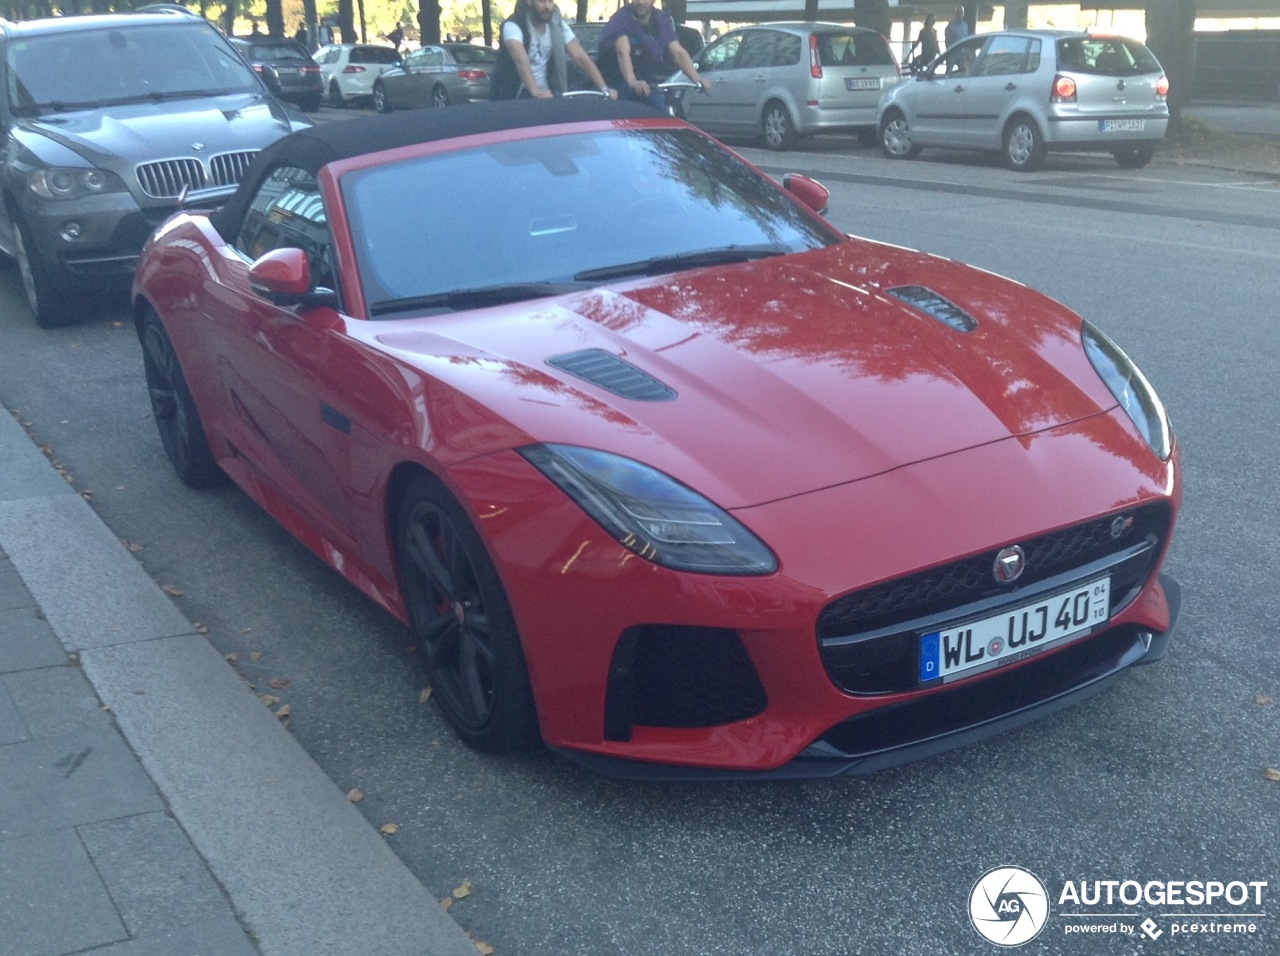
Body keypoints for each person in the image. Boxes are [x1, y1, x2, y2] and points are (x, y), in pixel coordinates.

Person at [596, 0, 708, 110]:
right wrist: (633, 83)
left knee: (662, 115)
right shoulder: (621, 19)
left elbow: (678, 52)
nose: (640, 2)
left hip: (645, 84)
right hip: (616, 85)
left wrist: (697, 80)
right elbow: (623, 52)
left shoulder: (661, 19)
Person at [494, 0, 616, 99]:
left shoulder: (557, 25)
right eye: (542, 2)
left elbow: (580, 57)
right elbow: (521, 60)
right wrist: (536, 93)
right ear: (529, 2)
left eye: (550, 1)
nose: (547, 6)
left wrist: (604, 89)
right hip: (514, 94)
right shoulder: (513, 26)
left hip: (547, 93)